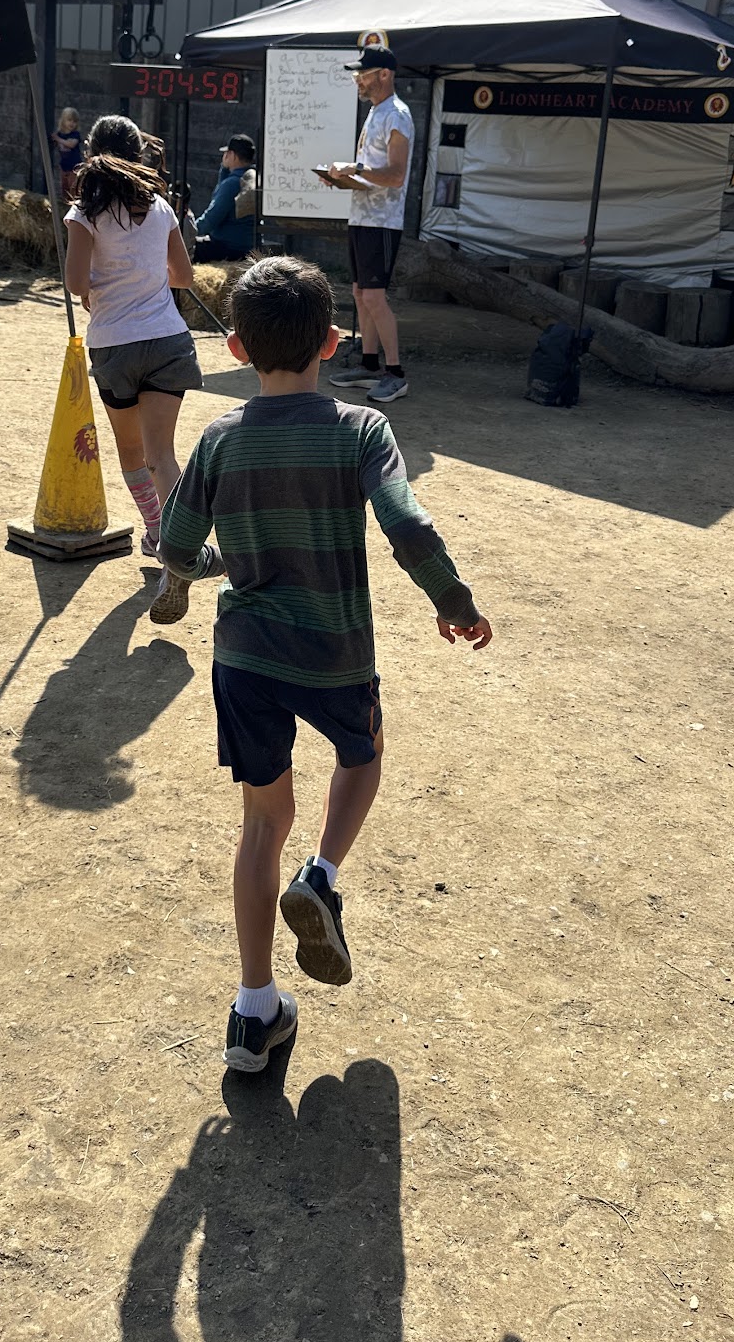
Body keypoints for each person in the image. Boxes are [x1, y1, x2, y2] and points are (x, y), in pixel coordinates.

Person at [158, 256, 493, 1072]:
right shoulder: (360, 430)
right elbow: (406, 526)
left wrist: (210, 569)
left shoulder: (218, 437)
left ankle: (253, 1009)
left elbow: (171, 547)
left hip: (245, 657)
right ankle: (325, 873)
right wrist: (453, 601)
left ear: (234, 348)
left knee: (259, 824)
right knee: (363, 754)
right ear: (335, 343)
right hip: (335, 653)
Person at [64, 115, 202, 622]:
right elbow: (183, 276)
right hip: (168, 339)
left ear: (92, 154)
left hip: (115, 344)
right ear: (139, 152)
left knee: (132, 453)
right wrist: (148, 273)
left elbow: (77, 282)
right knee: (163, 454)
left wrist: (103, 285)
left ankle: (157, 532)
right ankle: (178, 552)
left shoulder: (83, 214)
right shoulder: (162, 207)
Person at [323, 47, 413, 404]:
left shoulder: (399, 114)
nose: (358, 79)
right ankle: (369, 364)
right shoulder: (377, 112)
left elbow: (396, 175)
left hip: (383, 220)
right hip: (362, 215)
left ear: (385, 74)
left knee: (374, 295)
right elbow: (374, 174)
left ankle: (396, 373)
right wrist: (342, 178)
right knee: (361, 294)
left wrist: (356, 170)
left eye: (365, 72)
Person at [193, 134, 257, 261]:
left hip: (227, 247)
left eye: (226, 153)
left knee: (184, 249)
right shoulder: (252, 179)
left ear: (232, 155)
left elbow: (211, 219)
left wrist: (188, 232)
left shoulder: (231, 184)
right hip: (246, 246)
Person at [51, 106, 84, 202]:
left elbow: (71, 144)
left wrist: (57, 139)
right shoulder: (60, 134)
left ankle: (74, 203)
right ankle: (65, 202)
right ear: (63, 121)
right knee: (64, 186)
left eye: (74, 121)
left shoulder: (75, 134)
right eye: (69, 120)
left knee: (73, 186)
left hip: (74, 165)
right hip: (64, 165)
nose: (72, 123)